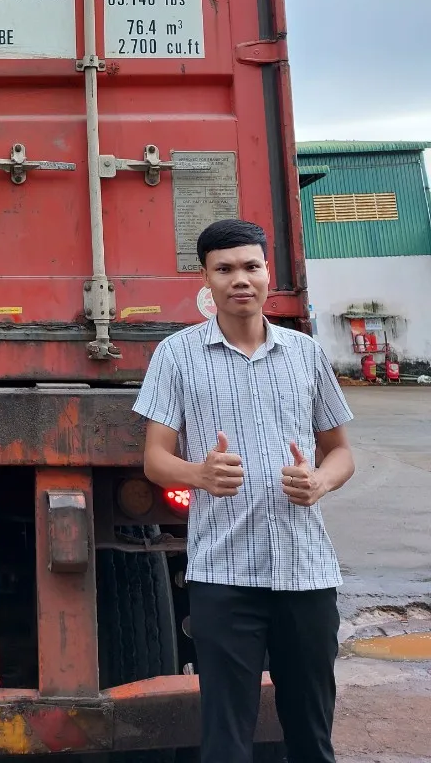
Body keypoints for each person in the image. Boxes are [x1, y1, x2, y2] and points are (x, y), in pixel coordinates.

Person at [133, 218, 355, 763]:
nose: (240, 279)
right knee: (226, 739)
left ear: (267, 273)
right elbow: (156, 459)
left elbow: (341, 453)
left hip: (305, 573)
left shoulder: (305, 354)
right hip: (224, 575)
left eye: (251, 266)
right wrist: (200, 474)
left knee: (311, 735)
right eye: (225, 269)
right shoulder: (176, 355)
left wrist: (319, 481)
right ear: (205, 279)